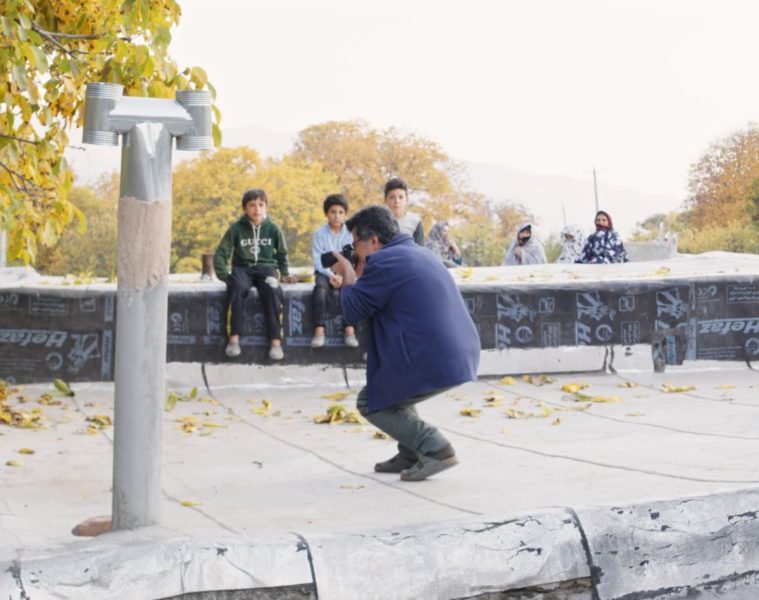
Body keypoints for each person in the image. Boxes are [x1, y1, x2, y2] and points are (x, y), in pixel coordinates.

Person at [330, 205, 480, 482]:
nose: (355, 251)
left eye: (356, 244)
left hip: (434, 357)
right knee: (393, 392)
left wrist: (348, 274)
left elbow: (352, 311)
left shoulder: (383, 262)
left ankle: (436, 449)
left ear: (374, 241)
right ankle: (411, 452)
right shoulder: (419, 253)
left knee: (371, 402)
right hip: (459, 352)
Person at [214, 188, 290, 361]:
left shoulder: (273, 228)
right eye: (252, 205)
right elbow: (221, 253)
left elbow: (282, 254)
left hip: (267, 268)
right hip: (243, 268)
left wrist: (284, 273)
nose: (257, 209)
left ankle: (275, 341)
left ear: (266, 207)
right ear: (244, 209)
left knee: (273, 290)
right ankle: (234, 339)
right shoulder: (236, 229)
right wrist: (225, 276)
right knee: (237, 288)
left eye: (261, 205)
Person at [310, 194, 358, 348]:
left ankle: (350, 330)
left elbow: (351, 259)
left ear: (345, 214)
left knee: (350, 290)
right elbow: (318, 260)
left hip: (345, 272)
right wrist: (331, 275)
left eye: (340, 212)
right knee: (320, 290)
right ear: (326, 214)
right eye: (333, 212)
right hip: (325, 272)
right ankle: (319, 331)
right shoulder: (319, 234)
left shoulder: (350, 234)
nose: (337, 216)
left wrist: (342, 276)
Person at [384, 177, 424, 245]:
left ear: (407, 200)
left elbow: (419, 249)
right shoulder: (378, 222)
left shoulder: (415, 222)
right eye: (392, 197)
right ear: (385, 200)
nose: (397, 201)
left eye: (401, 197)